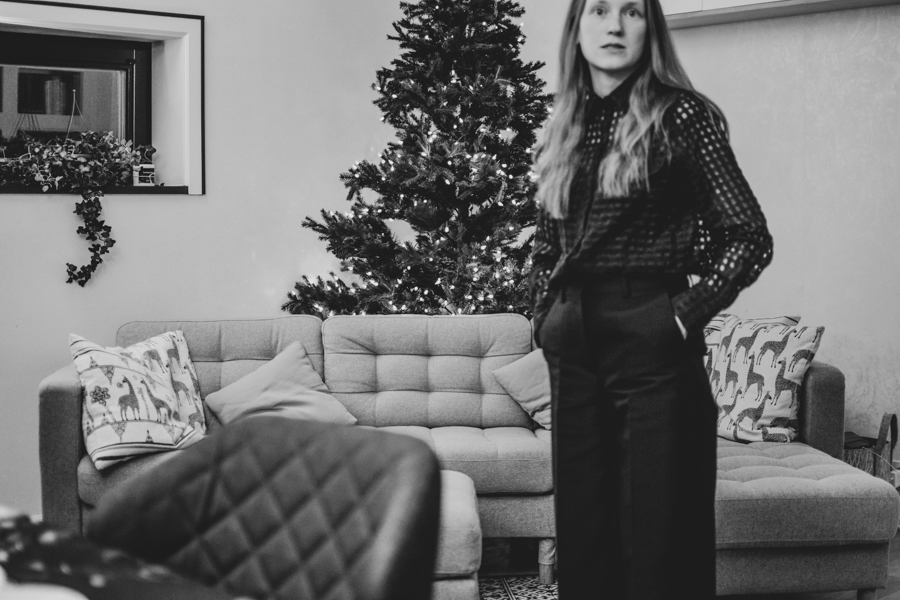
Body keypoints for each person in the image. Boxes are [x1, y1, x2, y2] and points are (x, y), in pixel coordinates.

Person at [529, 0, 773, 598]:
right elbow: (546, 244)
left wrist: (679, 318)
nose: (614, 25)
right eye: (599, 10)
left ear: (651, 28)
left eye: (632, 11)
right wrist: (545, 318)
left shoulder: (681, 115)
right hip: (573, 346)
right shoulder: (563, 123)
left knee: (660, 547)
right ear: (577, 28)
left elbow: (748, 236)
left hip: (652, 340)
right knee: (584, 544)